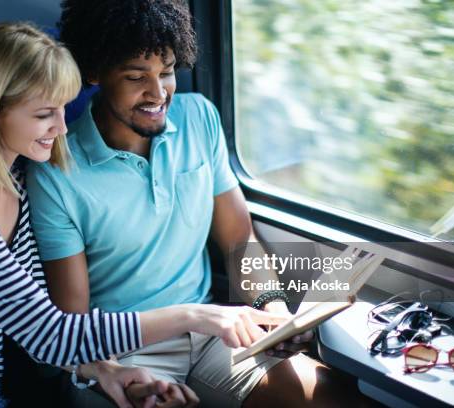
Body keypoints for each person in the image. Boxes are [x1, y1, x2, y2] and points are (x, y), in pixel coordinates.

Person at [0, 22, 283, 408]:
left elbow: (36, 328)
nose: (62, 128)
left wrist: (109, 370)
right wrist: (198, 315)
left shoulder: (20, 188)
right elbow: (49, 333)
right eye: (44, 114)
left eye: (62, 110)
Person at [26, 1, 375, 407]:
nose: (158, 93)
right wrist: (132, 381)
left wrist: (273, 313)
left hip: (214, 335)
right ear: (95, 73)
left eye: (168, 72)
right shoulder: (57, 171)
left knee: (334, 398)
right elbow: (74, 327)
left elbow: (238, 239)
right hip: (125, 353)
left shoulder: (199, 119)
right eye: (136, 77)